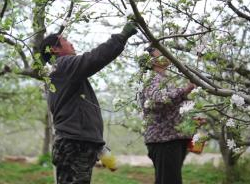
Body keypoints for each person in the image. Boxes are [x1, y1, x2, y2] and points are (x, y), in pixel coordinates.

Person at [38, 21, 138, 184]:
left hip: (76, 144)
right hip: (74, 145)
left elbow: (77, 112)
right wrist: (121, 36)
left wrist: (98, 145)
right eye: (66, 41)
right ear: (54, 49)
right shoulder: (63, 66)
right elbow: (93, 59)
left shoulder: (60, 75)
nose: (71, 43)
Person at [140, 46, 196, 184]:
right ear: (152, 61)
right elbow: (158, 101)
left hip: (173, 138)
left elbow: (171, 107)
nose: (166, 52)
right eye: (160, 51)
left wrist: (190, 120)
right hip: (164, 141)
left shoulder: (164, 79)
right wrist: (185, 90)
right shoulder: (151, 79)